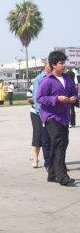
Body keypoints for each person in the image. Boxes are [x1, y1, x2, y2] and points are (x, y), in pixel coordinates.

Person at [37, 50, 77, 186]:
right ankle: (62, 176)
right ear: (53, 65)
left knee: (60, 143)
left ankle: (52, 173)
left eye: (64, 62)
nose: (64, 65)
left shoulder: (67, 79)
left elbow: (75, 93)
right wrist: (57, 99)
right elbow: (40, 98)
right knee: (60, 143)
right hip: (51, 117)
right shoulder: (47, 81)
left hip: (64, 116)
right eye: (61, 63)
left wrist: (73, 99)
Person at [26, 59, 51, 169]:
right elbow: (31, 98)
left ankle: (54, 162)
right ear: (45, 66)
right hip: (37, 113)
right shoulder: (38, 80)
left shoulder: (56, 78)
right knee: (38, 135)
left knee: (52, 137)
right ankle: (36, 158)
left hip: (50, 113)